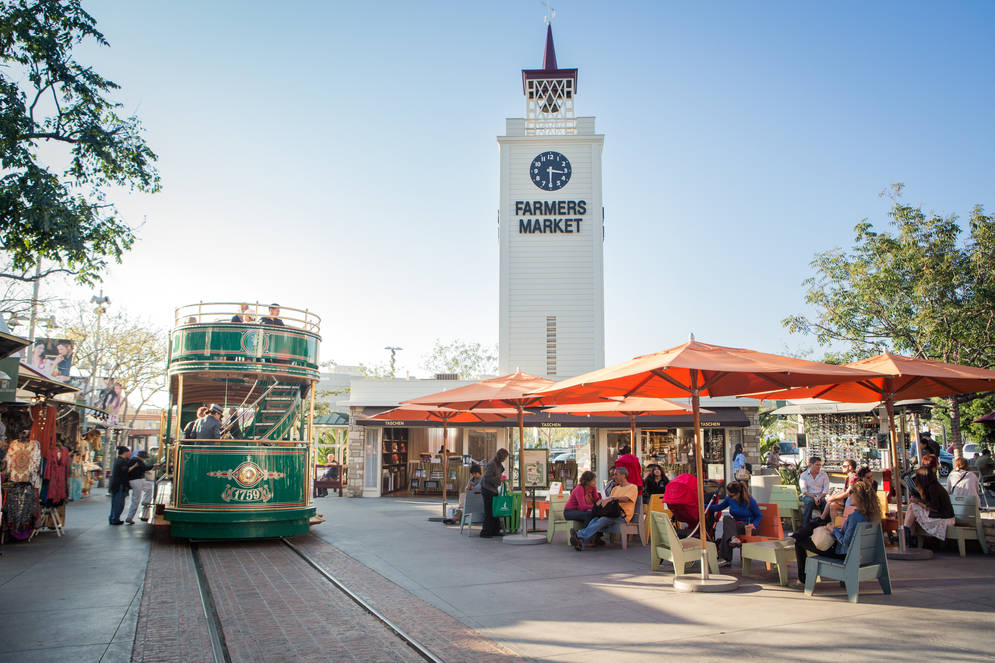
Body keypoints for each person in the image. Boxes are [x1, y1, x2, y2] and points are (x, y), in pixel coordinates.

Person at [794, 481, 881, 587]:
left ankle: (802, 579)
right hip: (862, 556)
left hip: (844, 556)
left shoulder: (854, 517)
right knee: (813, 527)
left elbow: (845, 542)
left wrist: (833, 530)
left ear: (859, 496)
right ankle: (796, 535)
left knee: (799, 542)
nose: (849, 495)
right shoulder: (872, 516)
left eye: (851, 492)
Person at [570, 466, 638, 550]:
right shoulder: (615, 488)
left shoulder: (632, 487)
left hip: (623, 516)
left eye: (616, 474)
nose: (614, 477)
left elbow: (626, 498)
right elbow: (609, 501)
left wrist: (613, 498)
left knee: (604, 520)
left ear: (623, 475)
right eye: (613, 475)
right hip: (612, 513)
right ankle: (580, 540)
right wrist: (601, 501)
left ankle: (579, 535)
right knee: (595, 519)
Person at [904, 454, 955, 547]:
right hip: (941, 515)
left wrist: (918, 502)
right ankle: (908, 534)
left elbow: (934, 507)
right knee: (913, 507)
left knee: (913, 506)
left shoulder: (933, 488)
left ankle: (906, 533)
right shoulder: (932, 486)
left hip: (944, 518)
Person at [708, 481, 763, 565]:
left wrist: (754, 525)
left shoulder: (749, 500)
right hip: (735, 526)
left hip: (748, 527)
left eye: (731, 495)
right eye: (728, 495)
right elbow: (719, 507)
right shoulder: (729, 499)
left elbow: (759, 516)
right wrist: (704, 506)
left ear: (738, 493)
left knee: (727, 532)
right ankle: (733, 539)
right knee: (726, 518)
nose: (729, 497)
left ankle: (726, 559)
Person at [480, 448, 508, 538]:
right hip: (487, 489)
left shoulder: (498, 464)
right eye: (504, 457)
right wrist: (499, 479)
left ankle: (494, 530)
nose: (505, 459)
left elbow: (496, 475)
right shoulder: (492, 464)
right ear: (501, 456)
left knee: (494, 511)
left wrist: (501, 479)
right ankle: (486, 532)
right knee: (489, 511)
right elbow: (487, 477)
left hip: (493, 489)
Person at [799, 455, 829, 524]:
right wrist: (814, 497)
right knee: (810, 501)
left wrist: (819, 497)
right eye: (817, 465)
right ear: (810, 465)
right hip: (809, 495)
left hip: (821, 495)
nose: (819, 467)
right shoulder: (804, 475)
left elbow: (826, 489)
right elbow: (804, 491)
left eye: (820, 465)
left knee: (825, 501)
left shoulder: (824, 474)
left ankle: (825, 523)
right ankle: (806, 524)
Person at [124, 451, 153, 524]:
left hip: (138, 480)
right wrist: (153, 466)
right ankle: (129, 517)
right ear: (142, 457)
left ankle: (146, 501)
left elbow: (142, 469)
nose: (144, 460)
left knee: (149, 487)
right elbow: (145, 468)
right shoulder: (137, 460)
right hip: (136, 480)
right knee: (136, 498)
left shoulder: (134, 460)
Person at [108, 446, 131, 525]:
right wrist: (134, 466)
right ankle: (115, 518)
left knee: (115, 503)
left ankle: (112, 518)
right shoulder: (122, 462)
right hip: (120, 485)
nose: (129, 454)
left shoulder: (118, 460)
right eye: (128, 452)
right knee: (119, 503)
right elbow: (125, 471)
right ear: (125, 452)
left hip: (115, 485)